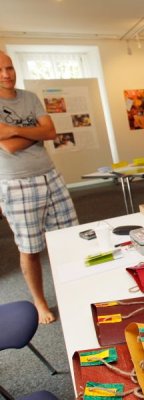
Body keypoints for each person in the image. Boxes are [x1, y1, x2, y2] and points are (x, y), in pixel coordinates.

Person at [0, 51, 79, 324]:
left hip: (50, 177)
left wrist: (13, 129)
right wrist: (34, 131)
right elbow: (8, 147)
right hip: (17, 183)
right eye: (0, 70)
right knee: (30, 248)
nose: (6, 74)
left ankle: (70, 288)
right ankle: (40, 301)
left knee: (67, 238)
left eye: (10, 68)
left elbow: (50, 132)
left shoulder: (30, 98)